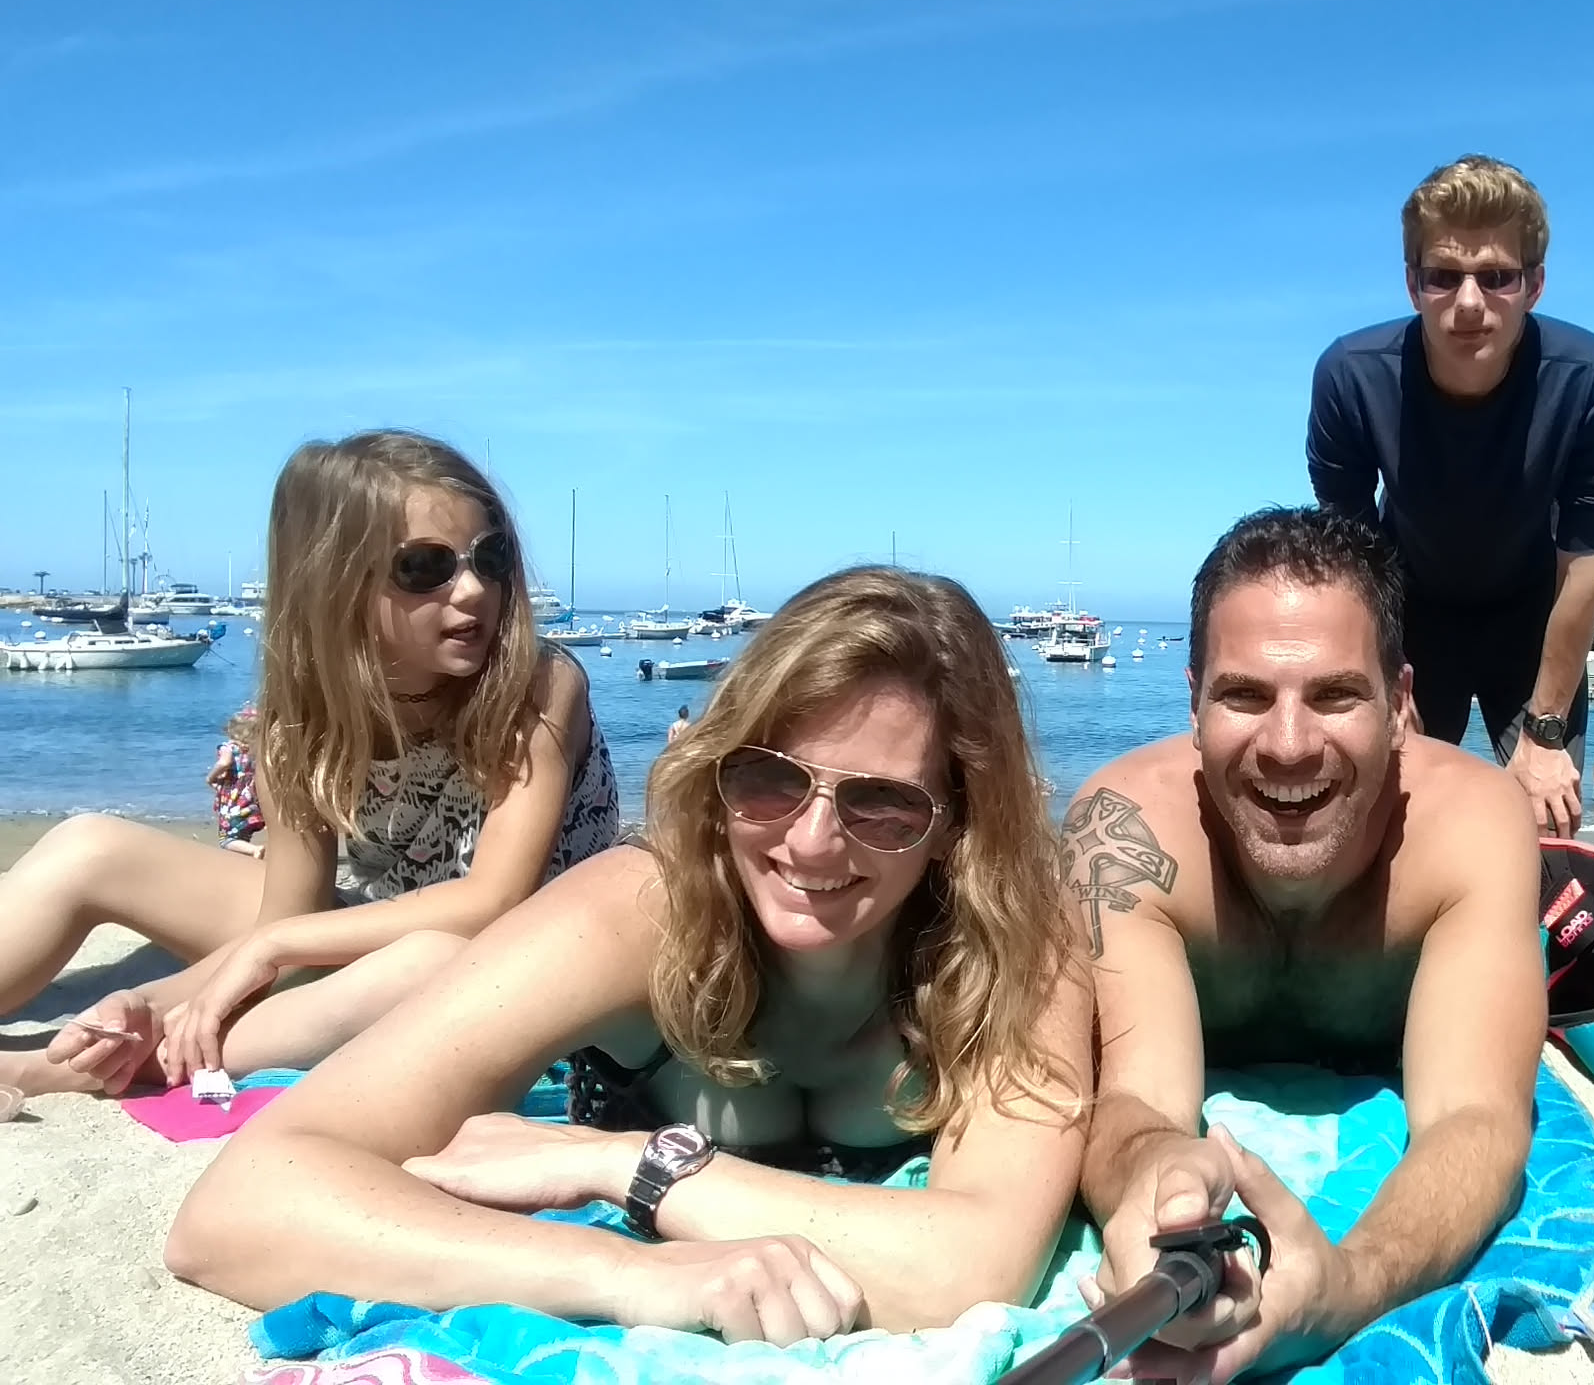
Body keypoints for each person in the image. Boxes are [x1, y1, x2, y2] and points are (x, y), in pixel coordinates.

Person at [167, 567, 1091, 1342]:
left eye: (882, 803)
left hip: (576, 1086)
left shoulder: (1015, 946)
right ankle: (141, 1019)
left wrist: (625, 1165)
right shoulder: (642, 911)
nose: (811, 843)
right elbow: (239, 1210)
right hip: (429, 975)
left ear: (958, 818)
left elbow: (971, 1269)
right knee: (225, 1035)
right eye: (768, 779)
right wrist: (625, 1274)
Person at [1068, 506, 1547, 1381]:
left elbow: (1473, 1115)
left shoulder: (1472, 825)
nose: (1288, 746)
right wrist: (1159, 1184)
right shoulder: (1126, 835)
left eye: (1335, 695)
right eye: (1245, 695)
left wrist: (1349, 1283)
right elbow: (1136, 1098)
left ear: (1401, 706)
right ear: (1193, 702)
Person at [3, 431, 620, 1100]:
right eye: (425, 567)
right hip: (375, 921)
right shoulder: (296, 725)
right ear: (336, 583)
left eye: (490, 558)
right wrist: (153, 999)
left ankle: (69, 1067)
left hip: (519, 956)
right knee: (90, 846)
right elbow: (288, 914)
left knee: (426, 962)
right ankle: (132, 1035)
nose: (473, 589)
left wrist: (272, 949)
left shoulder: (537, 686)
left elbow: (491, 903)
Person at [1308, 154, 1594, 839]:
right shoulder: (1351, 377)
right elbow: (1351, 559)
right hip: (1411, 612)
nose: (1468, 303)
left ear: (1534, 285)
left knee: (1544, 825)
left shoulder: (1588, 379)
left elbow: (1585, 564)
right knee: (1384, 822)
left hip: (1534, 617)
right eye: (1442, 276)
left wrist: (1546, 731)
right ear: (1412, 284)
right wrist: (1385, 673)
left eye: (1496, 277)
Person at [206, 705, 265, 857]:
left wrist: (210, 777)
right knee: (243, 834)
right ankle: (247, 855)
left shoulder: (228, 748)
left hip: (235, 802)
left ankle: (254, 850)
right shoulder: (255, 752)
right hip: (252, 801)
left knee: (226, 839)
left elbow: (224, 763)